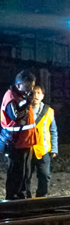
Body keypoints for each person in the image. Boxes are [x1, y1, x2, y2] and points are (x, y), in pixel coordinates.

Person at [2, 71, 37, 200]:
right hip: (16, 142)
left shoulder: (21, 95)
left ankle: (23, 196)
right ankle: (12, 198)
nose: (30, 90)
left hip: (26, 141)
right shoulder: (11, 97)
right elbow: (15, 116)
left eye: (32, 87)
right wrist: (27, 103)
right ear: (18, 85)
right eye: (28, 87)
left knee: (25, 173)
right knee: (16, 173)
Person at [28, 86, 58, 198]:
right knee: (26, 176)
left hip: (43, 150)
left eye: (38, 93)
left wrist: (54, 149)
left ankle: (42, 197)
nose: (35, 96)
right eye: (33, 93)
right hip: (28, 149)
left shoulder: (49, 112)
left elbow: (53, 130)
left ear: (42, 96)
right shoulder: (24, 110)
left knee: (44, 176)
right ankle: (27, 198)